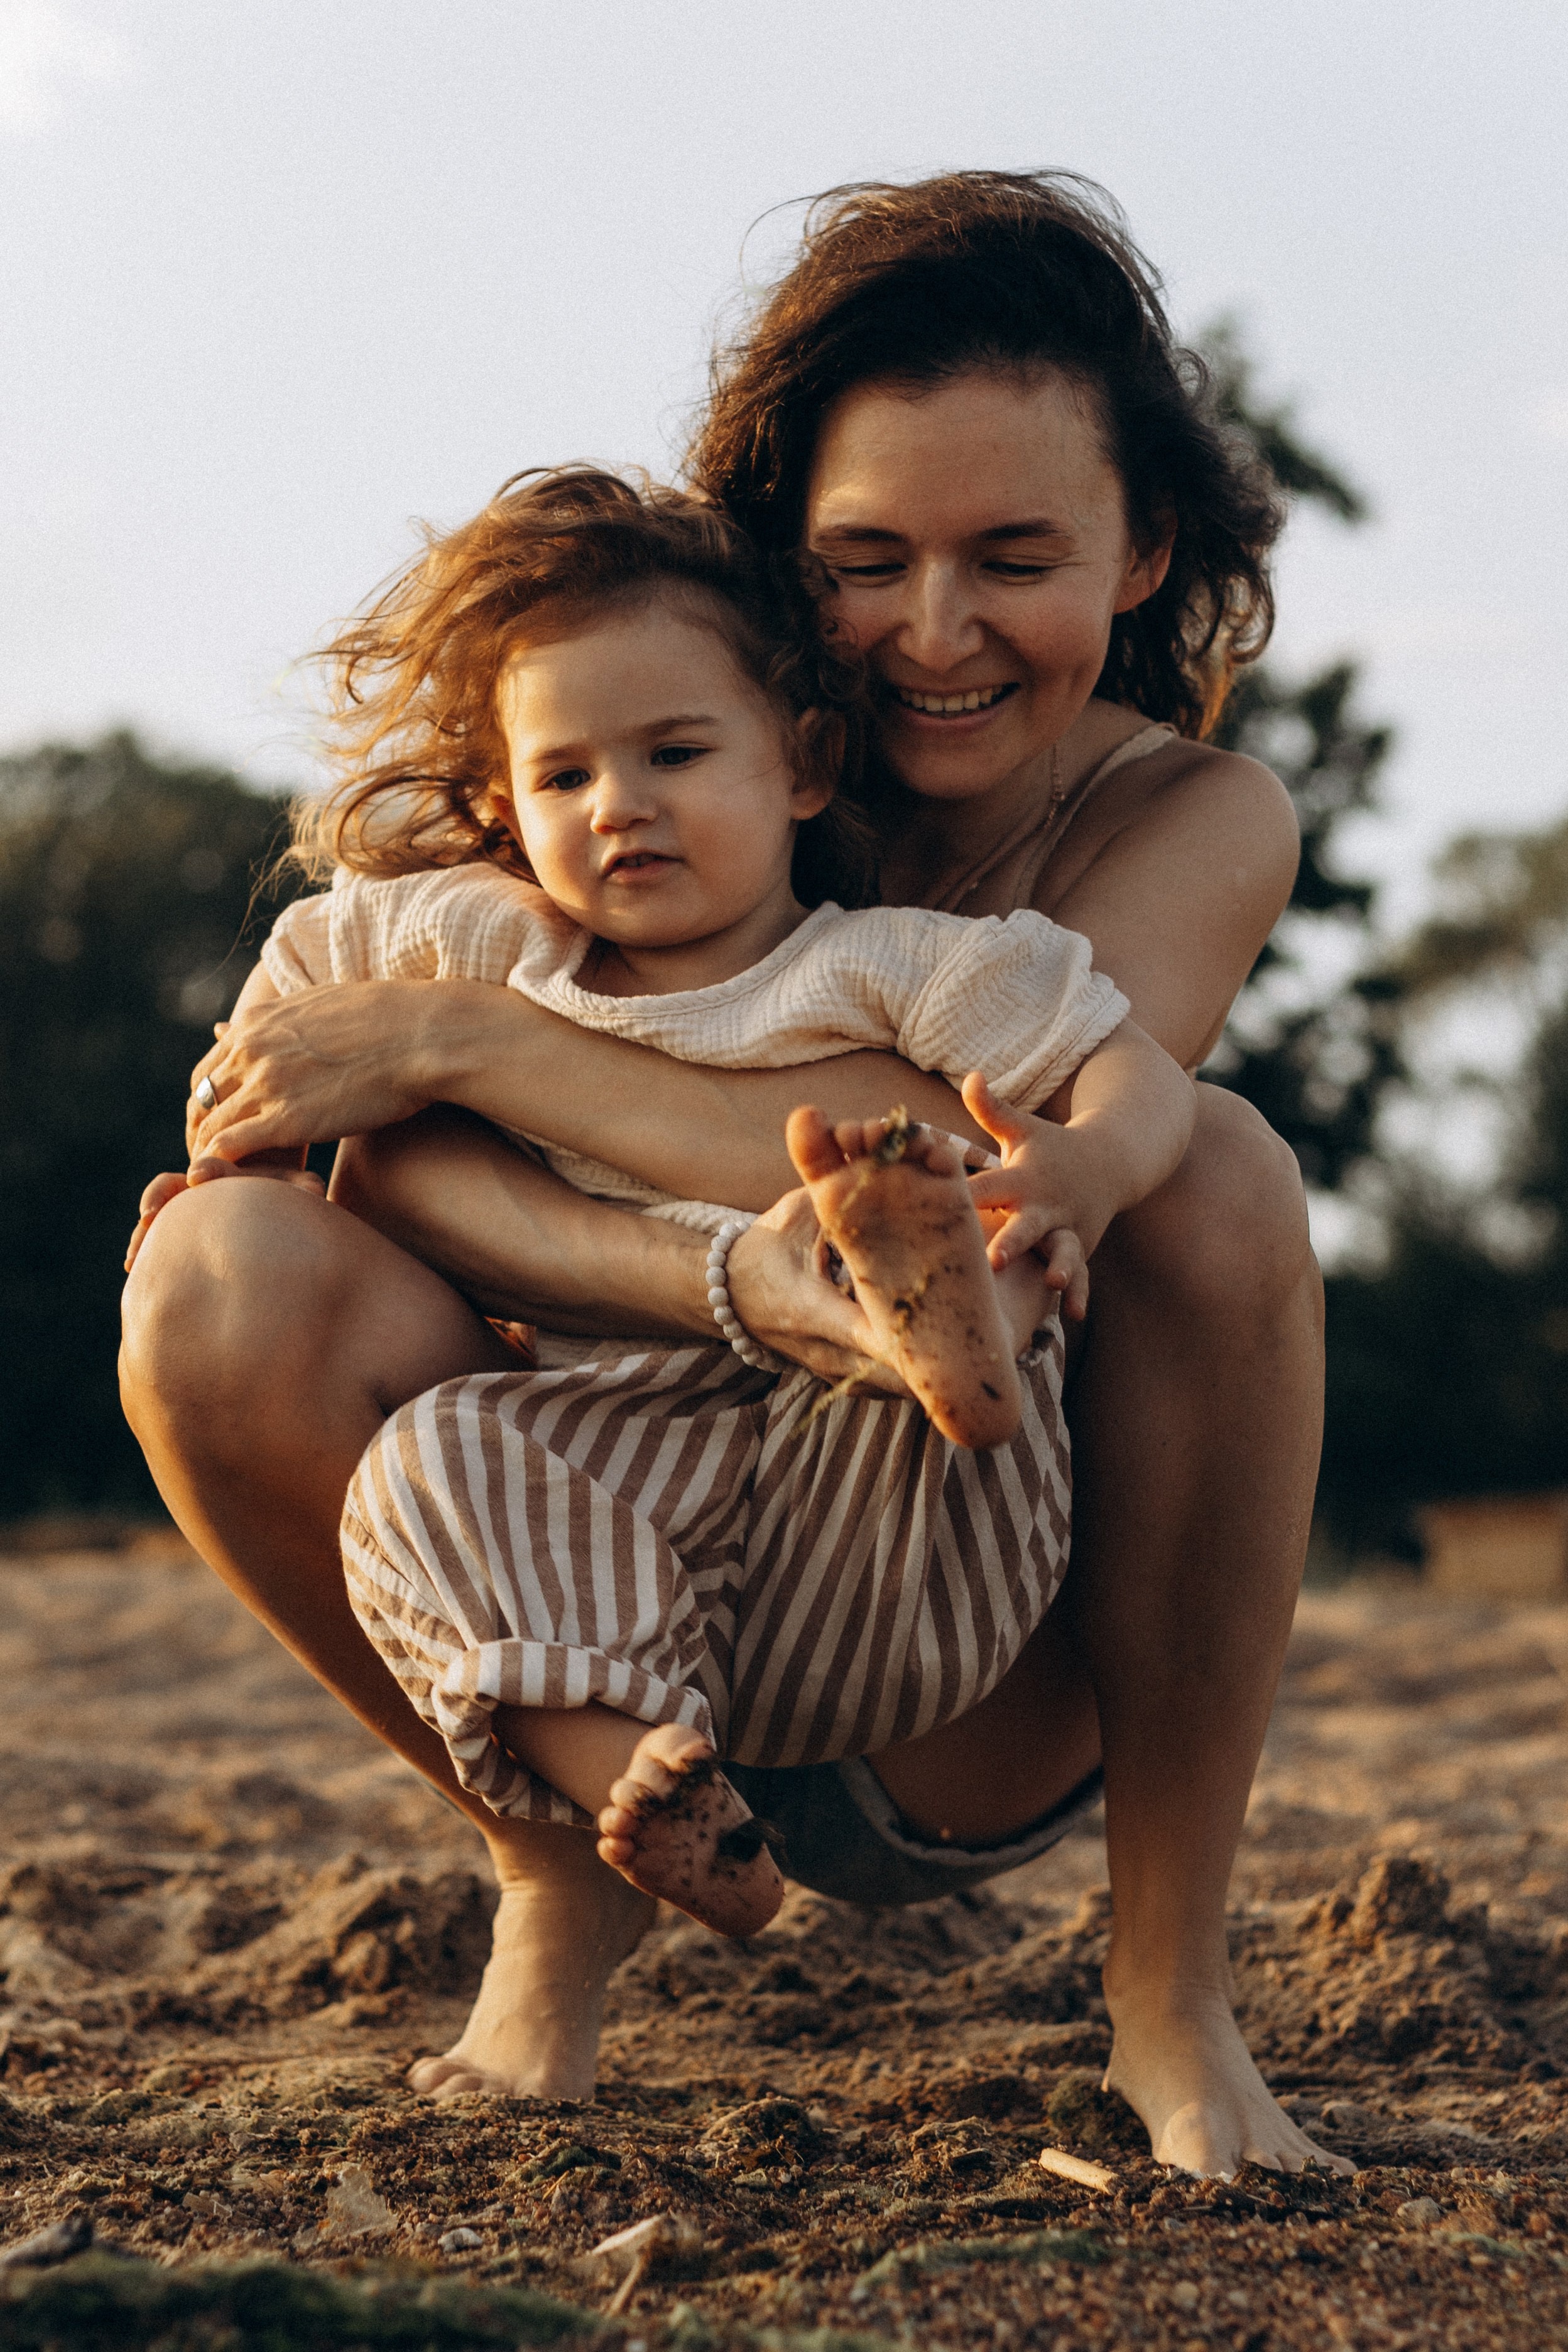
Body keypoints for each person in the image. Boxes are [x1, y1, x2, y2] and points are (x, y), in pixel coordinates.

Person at [121, 170, 1342, 2179]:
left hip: (956, 1615)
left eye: (1015, 555)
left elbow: (984, 1169)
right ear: (786, 566)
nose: (933, 635)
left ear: (1142, 555)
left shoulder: (1192, 811)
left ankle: (1171, 1998)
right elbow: (375, 1168)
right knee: (224, 1271)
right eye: (867, 559)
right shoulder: (645, 740)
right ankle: (560, 1869)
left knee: (1212, 1171)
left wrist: (481, 1051)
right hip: (594, 1567)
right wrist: (683, 1262)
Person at [246, 462, 1195, 1942]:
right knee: (428, 1467)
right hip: (609, 1469)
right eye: (565, 778)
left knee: (967, 1233)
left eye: (676, 754)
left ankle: (939, 1318)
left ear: (803, 765)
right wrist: (238, 1154)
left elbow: (1131, 1070)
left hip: (866, 1510)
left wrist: (1088, 1166)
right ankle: (662, 1793)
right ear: (505, 804)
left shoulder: (883, 965)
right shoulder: (490, 946)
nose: (620, 806)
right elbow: (300, 992)